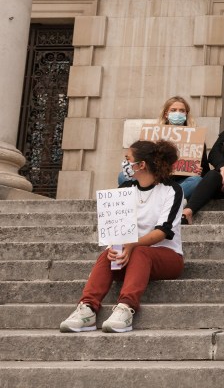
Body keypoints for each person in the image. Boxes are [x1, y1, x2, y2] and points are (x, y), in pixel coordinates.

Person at [60, 140, 185, 333]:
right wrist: (115, 247)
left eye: (128, 159)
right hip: (130, 256)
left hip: (167, 256)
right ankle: (87, 309)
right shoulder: (126, 188)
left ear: (141, 164)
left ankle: (126, 308)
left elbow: (164, 231)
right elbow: (115, 226)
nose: (124, 163)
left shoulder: (171, 190)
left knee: (141, 252)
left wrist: (131, 245)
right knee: (106, 255)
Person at [117, 95, 209, 199]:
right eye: (173, 110)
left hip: (178, 183)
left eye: (182, 111)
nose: (178, 113)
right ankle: (158, 197)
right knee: (122, 176)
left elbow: (206, 173)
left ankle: (162, 199)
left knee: (197, 181)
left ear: (186, 114)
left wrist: (198, 170)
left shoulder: (197, 139)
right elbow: (140, 161)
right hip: (153, 181)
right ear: (166, 114)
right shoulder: (152, 135)